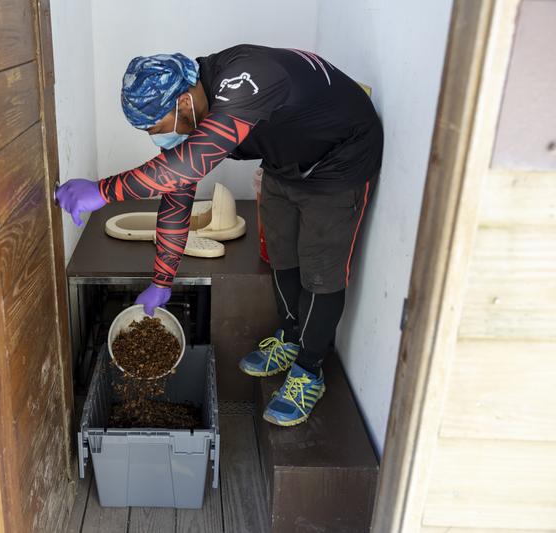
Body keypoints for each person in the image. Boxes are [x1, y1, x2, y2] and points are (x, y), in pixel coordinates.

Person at [56, 45, 383, 426]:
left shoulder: (246, 79)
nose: (159, 140)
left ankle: (309, 370)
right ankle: (290, 336)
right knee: (280, 253)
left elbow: (183, 168)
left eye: (158, 129)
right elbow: (176, 195)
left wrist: (102, 191)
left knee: (319, 270)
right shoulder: (193, 116)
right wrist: (162, 280)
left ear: (183, 103)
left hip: (340, 159)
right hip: (287, 161)